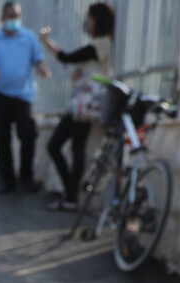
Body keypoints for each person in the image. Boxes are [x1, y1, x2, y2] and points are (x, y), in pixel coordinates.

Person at [41, 3, 115, 211]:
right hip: (85, 106)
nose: (87, 22)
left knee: (55, 145)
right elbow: (83, 66)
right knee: (76, 149)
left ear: (97, 20)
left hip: (84, 107)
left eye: (90, 17)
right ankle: (71, 198)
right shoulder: (100, 45)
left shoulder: (100, 44)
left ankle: (70, 193)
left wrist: (46, 41)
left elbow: (67, 57)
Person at [0, 3, 51, 194]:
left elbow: (38, 59)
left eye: (16, 16)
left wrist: (42, 68)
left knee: (28, 136)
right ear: (2, 18)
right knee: (2, 139)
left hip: (22, 95)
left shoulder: (29, 37)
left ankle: (26, 178)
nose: (13, 20)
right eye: (10, 16)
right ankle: (7, 181)